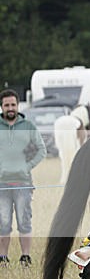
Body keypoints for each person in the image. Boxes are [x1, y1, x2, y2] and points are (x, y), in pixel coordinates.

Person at [0, 89, 46, 267]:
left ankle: (25, 257)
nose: (10, 108)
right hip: (2, 185)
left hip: (23, 184)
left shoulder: (28, 126)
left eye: (13, 104)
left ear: (18, 106)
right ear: (2, 107)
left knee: (24, 222)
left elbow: (42, 149)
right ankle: (2, 257)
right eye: (6, 105)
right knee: (3, 223)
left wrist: (27, 167)